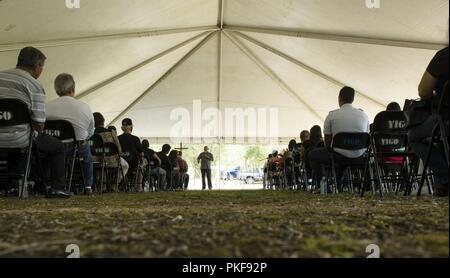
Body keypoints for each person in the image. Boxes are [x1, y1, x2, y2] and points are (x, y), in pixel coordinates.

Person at [0, 47, 70, 198]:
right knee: (57, 147)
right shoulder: (34, 85)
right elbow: (39, 124)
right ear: (36, 66)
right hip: (19, 138)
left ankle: (12, 186)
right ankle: (57, 188)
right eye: (42, 67)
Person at [308, 86, 370, 185]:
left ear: (339, 98)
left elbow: (327, 145)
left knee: (312, 155)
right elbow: (366, 138)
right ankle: (340, 181)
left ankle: (323, 184)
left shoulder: (331, 115)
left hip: (338, 156)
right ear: (353, 99)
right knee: (343, 153)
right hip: (358, 155)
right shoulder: (364, 116)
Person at [409, 46, 449, 197]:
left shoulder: (443, 56)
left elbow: (423, 91)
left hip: (445, 120)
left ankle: (444, 177)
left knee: (414, 137)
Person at [46, 74, 95, 195]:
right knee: (87, 156)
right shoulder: (85, 107)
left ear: (57, 90)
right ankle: (88, 186)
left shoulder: (46, 107)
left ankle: (47, 182)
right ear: (73, 89)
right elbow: (90, 131)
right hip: (77, 147)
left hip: (53, 147)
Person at [93, 112, 129, 185]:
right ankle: (114, 184)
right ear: (103, 121)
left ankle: (101, 185)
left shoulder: (91, 135)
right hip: (112, 161)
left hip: (95, 162)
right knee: (125, 165)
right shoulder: (112, 133)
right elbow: (119, 150)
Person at [118, 118, 144, 192]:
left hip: (121, 163)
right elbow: (141, 153)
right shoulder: (136, 139)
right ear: (131, 127)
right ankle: (139, 186)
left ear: (122, 128)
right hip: (134, 163)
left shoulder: (118, 138)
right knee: (141, 166)